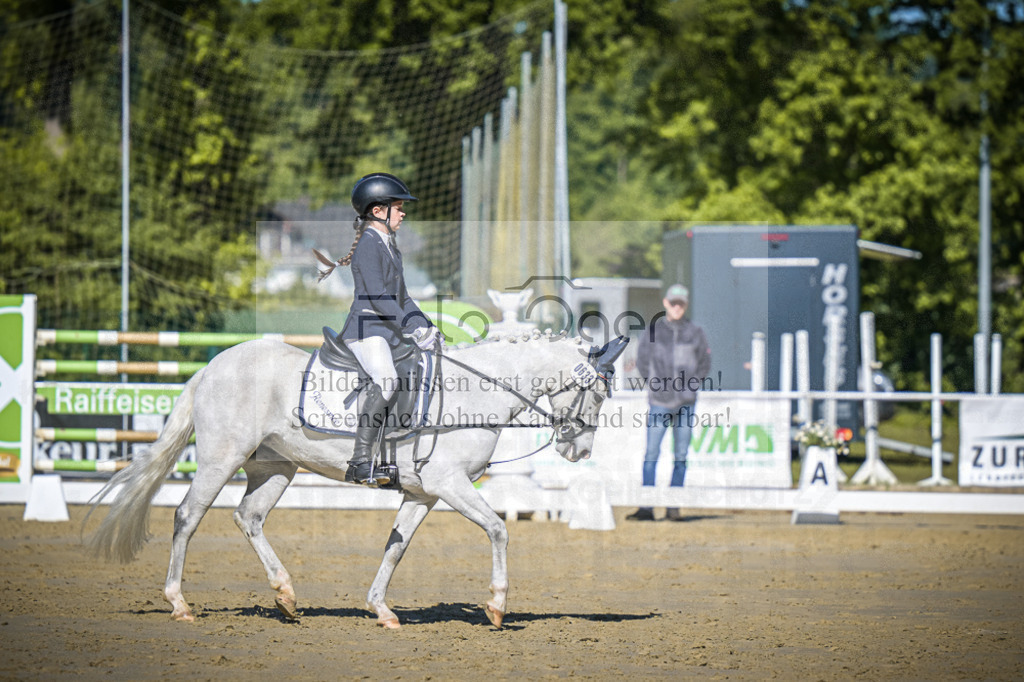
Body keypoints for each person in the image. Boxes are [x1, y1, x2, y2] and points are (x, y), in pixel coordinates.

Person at [315, 172, 441, 485]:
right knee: (386, 380)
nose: (403, 212)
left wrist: (426, 326)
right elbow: (379, 298)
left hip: (385, 330)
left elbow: (403, 298)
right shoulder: (368, 246)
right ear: (377, 211)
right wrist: (410, 330)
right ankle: (359, 461)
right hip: (366, 329)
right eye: (397, 207)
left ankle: (397, 451)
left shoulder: (389, 246)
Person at [626, 284, 711, 521]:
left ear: (685, 305)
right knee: (651, 453)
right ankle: (647, 506)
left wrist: (690, 387)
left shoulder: (695, 332)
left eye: (681, 304)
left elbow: (704, 363)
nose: (677, 307)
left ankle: (674, 506)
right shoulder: (653, 331)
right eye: (673, 303)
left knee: (681, 455)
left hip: (686, 402)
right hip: (659, 402)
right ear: (666, 303)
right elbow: (642, 361)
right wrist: (656, 386)